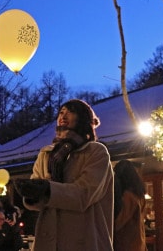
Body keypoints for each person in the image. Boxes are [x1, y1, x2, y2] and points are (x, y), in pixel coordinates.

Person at [14, 99, 114, 251]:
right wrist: (31, 194)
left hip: (85, 238)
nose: (63, 116)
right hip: (50, 239)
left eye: (70, 112)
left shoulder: (96, 151)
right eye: (61, 112)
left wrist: (47, 189)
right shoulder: (46, 154)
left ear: (83, 118)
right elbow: (41, 202)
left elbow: (84, 194)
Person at [112, 159, 146, 251]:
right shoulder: (139, 196)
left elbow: (120, 222)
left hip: (127, 244)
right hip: (139, 243)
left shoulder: (127, 196)